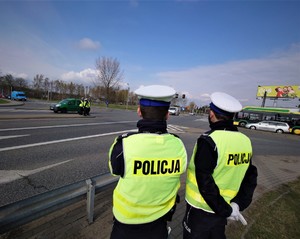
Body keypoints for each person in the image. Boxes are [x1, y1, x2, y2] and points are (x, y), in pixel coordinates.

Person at [108, 85, 188, 239]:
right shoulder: (178, 145)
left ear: (139, 111)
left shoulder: (123, 144)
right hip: (160, 223)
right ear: (167, 115)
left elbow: (115, 170)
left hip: (126, 224)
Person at [182, 92, 258, 239]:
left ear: (211, 114)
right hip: (224, 213)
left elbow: (205, 182)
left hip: (200, 212)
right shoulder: (245, 141)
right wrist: (238, 204)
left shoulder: (209, 141)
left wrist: (226, 210)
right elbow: (251, 176)